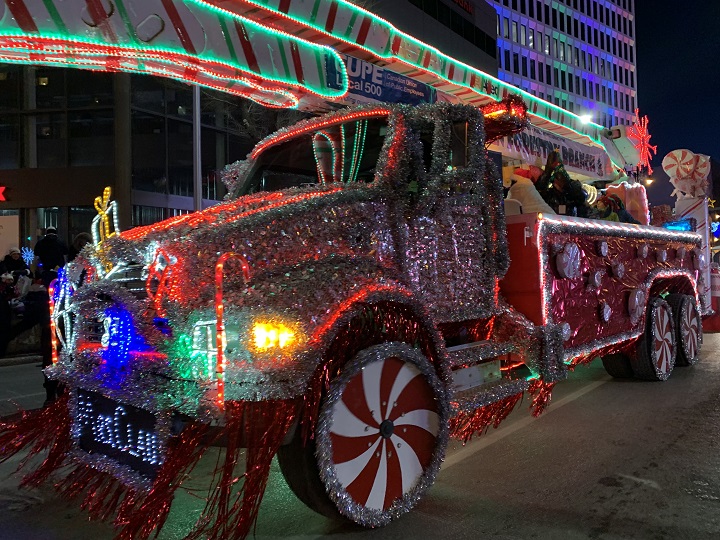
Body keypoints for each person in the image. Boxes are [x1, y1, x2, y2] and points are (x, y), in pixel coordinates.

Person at [536, 150, 589, 217]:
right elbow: (539, 191)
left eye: (561, 179)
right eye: (557, 179)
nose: (559, 182)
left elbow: (582, 196)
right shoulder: (550, 194)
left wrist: (567, 186)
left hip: (570, 223)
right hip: (553, 223)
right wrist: (548, 171)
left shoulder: (572, 193)